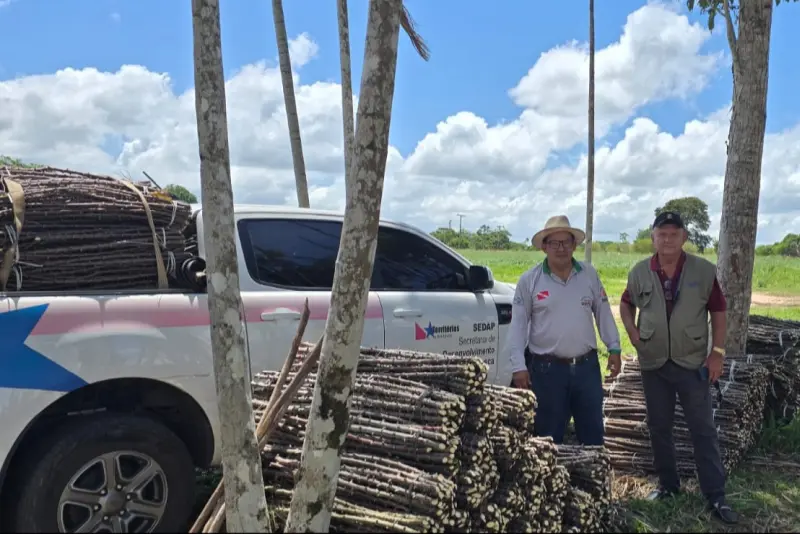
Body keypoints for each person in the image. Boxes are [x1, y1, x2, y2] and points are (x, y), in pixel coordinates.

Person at [618, 211, 738, 524]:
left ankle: (715, 495)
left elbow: (719, 312)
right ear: (653, 237)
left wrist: (718, 353)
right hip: (654, 362)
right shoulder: (640, 271)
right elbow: (626, 302)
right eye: (662, 234)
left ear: (684, 237)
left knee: (703, 430)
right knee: (659, 427)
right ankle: (668, 486)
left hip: (692, 363)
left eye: (674, 233)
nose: (668, 239)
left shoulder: (703, 270)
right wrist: (632, 332)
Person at [507, 214, 622, 445]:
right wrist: (518, 366)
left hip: (586, 369)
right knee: (548, 437)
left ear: (574, 244)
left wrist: (614, 347)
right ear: (544, 247)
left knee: (592, 435)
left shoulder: (588, 275)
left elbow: (603, 312)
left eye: (566, 242)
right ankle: (551, 481)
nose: (561, 248)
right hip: (547, 371)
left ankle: (592, 480)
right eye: (554, 243)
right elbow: (518, 326)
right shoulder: (529, 281)